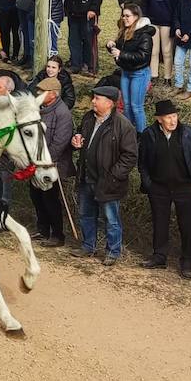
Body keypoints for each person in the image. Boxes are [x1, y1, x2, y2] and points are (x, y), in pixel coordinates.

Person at [137, 99, 191, 277]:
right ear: (159, 119)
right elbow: (142, 163)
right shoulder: (149, 134)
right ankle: (159, 256)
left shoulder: (189, 133)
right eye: (168, 117)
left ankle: (187, 263)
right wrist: (149, 184)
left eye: (175, 116)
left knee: (187, 226)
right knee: (160, 223)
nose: (173, 120)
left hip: (185, 188)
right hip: (159, 187)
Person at [69, 85, 137, 265]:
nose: (93, 101)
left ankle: (113, 252)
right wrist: (76, 139)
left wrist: (113, 176)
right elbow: (80, 134)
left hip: (108, 182)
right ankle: (87, 246)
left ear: (109, 103)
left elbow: (130, 156)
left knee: (111, 219)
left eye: (97, 98)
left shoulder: (123, 125)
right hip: (86, 177)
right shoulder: (88, 118)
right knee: (85, 214)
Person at [30, 77, 74, 247]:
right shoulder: (41, 109)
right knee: (36, 197)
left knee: (50, 200)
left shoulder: (63, 113)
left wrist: (44, 161)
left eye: (42, 92)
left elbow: (60, 142)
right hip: (37, 164)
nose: (38, 94)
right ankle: (42, 230)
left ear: (53, 94)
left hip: (52, 166)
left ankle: (57, 235)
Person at [106, 3, 153, 132]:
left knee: (136, 106)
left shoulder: (145, 35)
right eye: (123, 16)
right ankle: (128, 133)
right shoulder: (124, 31)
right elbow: (119, 49)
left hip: (140, 73)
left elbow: (143, 56)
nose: (124, 18)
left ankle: (141, 135)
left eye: (127, 16)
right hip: (126, 72)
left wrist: (121, 54)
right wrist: (111, 45)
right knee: (126, 105)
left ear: (136, 17)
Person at [143, 0, 180, 85]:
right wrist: (145, 18)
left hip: (167, 22)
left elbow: (176, 5)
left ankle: (167, 77)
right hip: (153, 21)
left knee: (167, 51)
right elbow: (146, 1)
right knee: (153, 50)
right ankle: (153, 75)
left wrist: (174, 23)